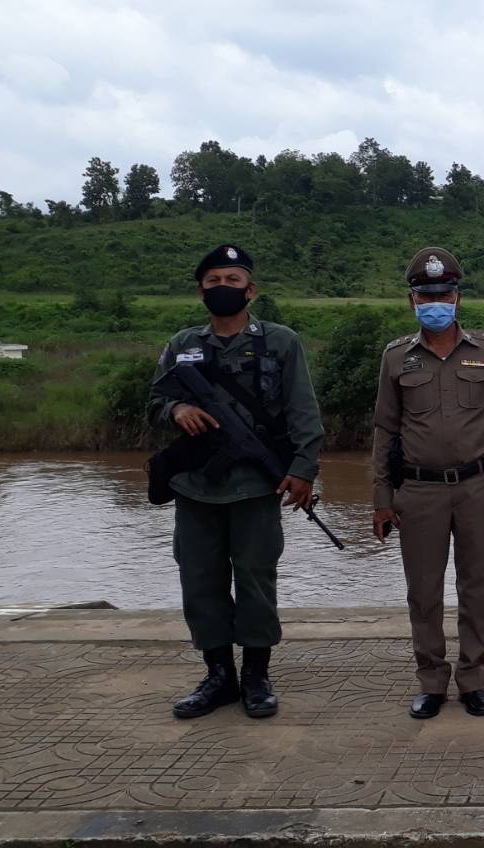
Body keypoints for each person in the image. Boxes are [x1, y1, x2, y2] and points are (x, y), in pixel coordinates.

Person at [148, 244, 324, 720]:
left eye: (232, 280)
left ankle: (256, 676)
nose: (222, 287)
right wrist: (177, 409)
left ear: (251, 290)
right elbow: (155, 400)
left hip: (256, 486)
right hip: (195, 487)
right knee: (199, 580)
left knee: (255, 578)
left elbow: (304, 411)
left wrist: (303, 470)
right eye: (213, 281)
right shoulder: (183, 343)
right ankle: (218, 676)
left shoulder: (281, 342)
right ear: (200, 290)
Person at [370, 247, 484, 720]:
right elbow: (385, 431)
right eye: (426, 296)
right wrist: (381, 498)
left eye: (444, 295)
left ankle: (473, 680)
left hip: (478, 486)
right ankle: (432, 681)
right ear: (412, 302)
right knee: (424, 591)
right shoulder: (396, 357)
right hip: (418, 490)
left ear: (458, 298)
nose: (436, 303)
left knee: (475, 588)